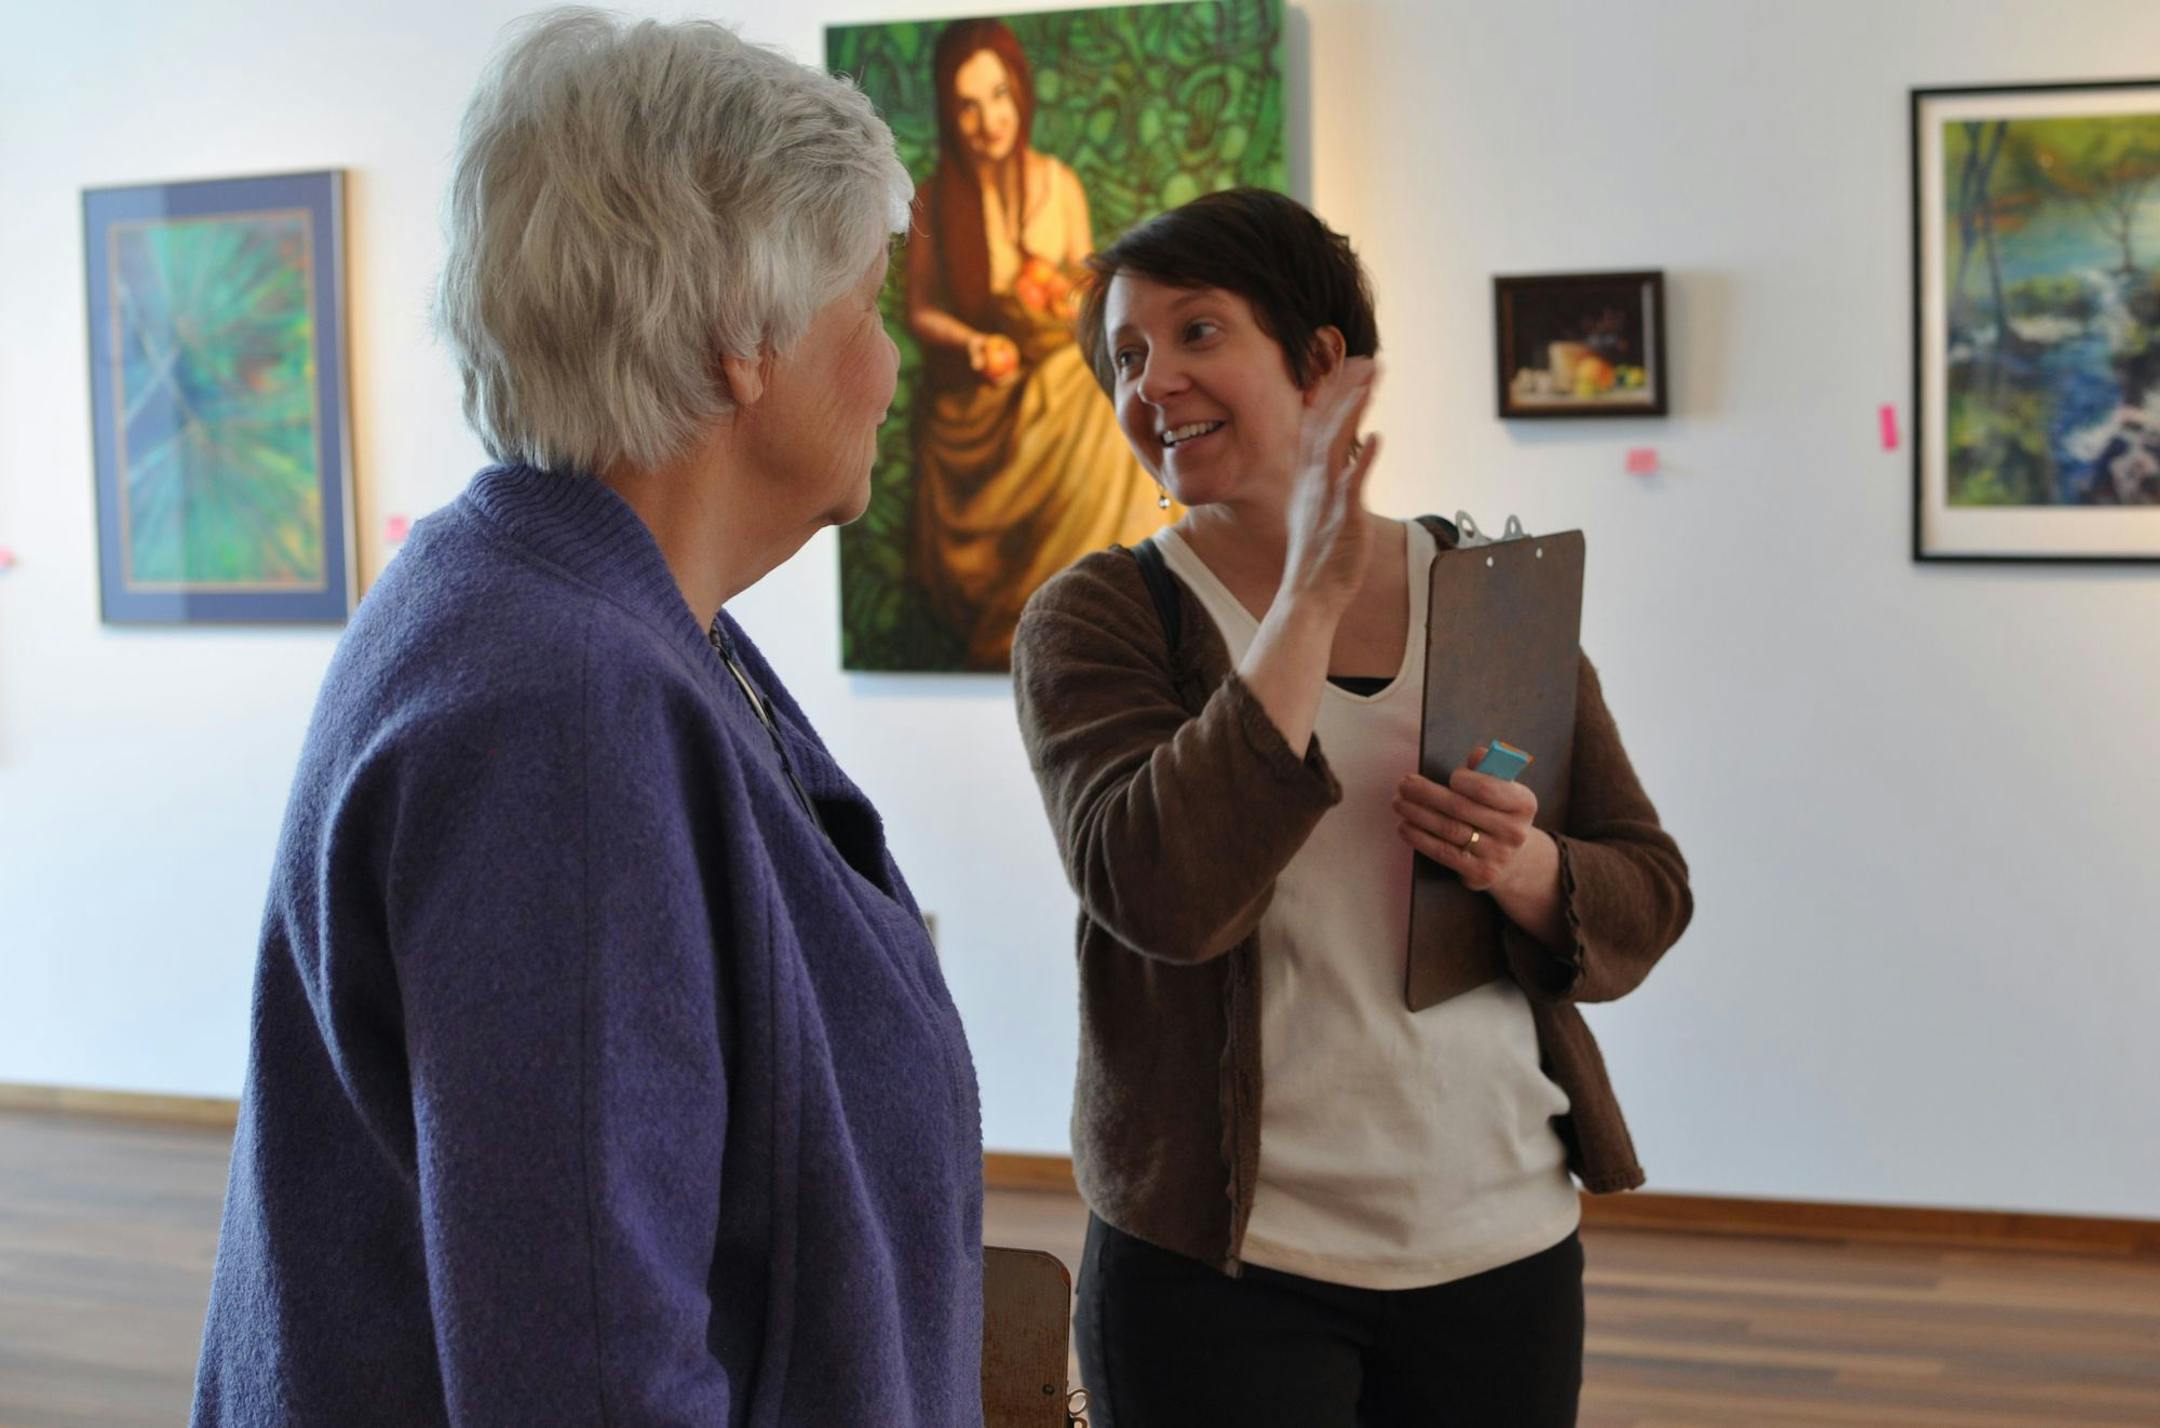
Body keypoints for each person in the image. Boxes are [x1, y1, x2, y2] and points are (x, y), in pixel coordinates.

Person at [190, 12, 983, 1424]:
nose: (886, 368)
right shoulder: (556, 714)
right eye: (867, 309)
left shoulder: (558, 612)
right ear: (747, 339)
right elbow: (595, 1375)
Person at [1010, 188, 1693, 1427]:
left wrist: (1529, 868)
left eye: (1196, 332)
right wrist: (1307, 604)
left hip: (1504, 1241)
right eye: (1126, 355)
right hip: (1221, 1264)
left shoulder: (1491, 590)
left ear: (1322, 359)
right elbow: (1161, 892)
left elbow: (1650, 888)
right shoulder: (1103, 616)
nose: (1152, 379)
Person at [905, 17, 1167, 669]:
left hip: (1057, 372)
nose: (987, 118)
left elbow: (1093, 308)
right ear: (949, 112)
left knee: (1101, 394)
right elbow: (919, 313)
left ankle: (1120, 606)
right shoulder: (935, 201)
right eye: (967, 104)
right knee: (1091, 394)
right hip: (979, 402)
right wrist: (973, 346)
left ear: (1019, 94)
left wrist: (1053, 291)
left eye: (998, 95)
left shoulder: (1060, 185)